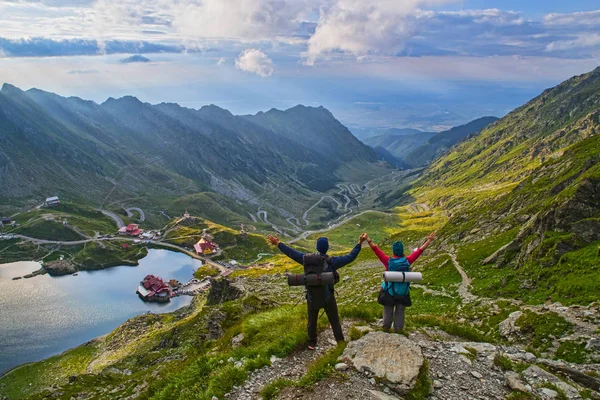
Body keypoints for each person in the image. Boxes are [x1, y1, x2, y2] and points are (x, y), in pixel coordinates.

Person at [267, 234, 367, 349]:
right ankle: (340, 342)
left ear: (317, 247)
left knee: (312, 320)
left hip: (312, 297)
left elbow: (291, 253)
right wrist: (359, 243)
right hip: (328, 297)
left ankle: (311, 343)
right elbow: (350, 257)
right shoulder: (332, 261)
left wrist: (278, 243)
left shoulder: (306, 259)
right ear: (327, 248)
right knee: (334, 321)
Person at [364, 232, 436, 332]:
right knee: (400, 311)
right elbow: (420, 251)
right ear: (402, 251)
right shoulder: (407, 261)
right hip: (403, 292)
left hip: (389, 291)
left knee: (388, 311)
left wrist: (368, 239)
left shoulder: (388, 261)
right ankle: (398, 330)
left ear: (393, 251)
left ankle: (386, 329)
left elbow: (376, 250)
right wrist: (429, 240)